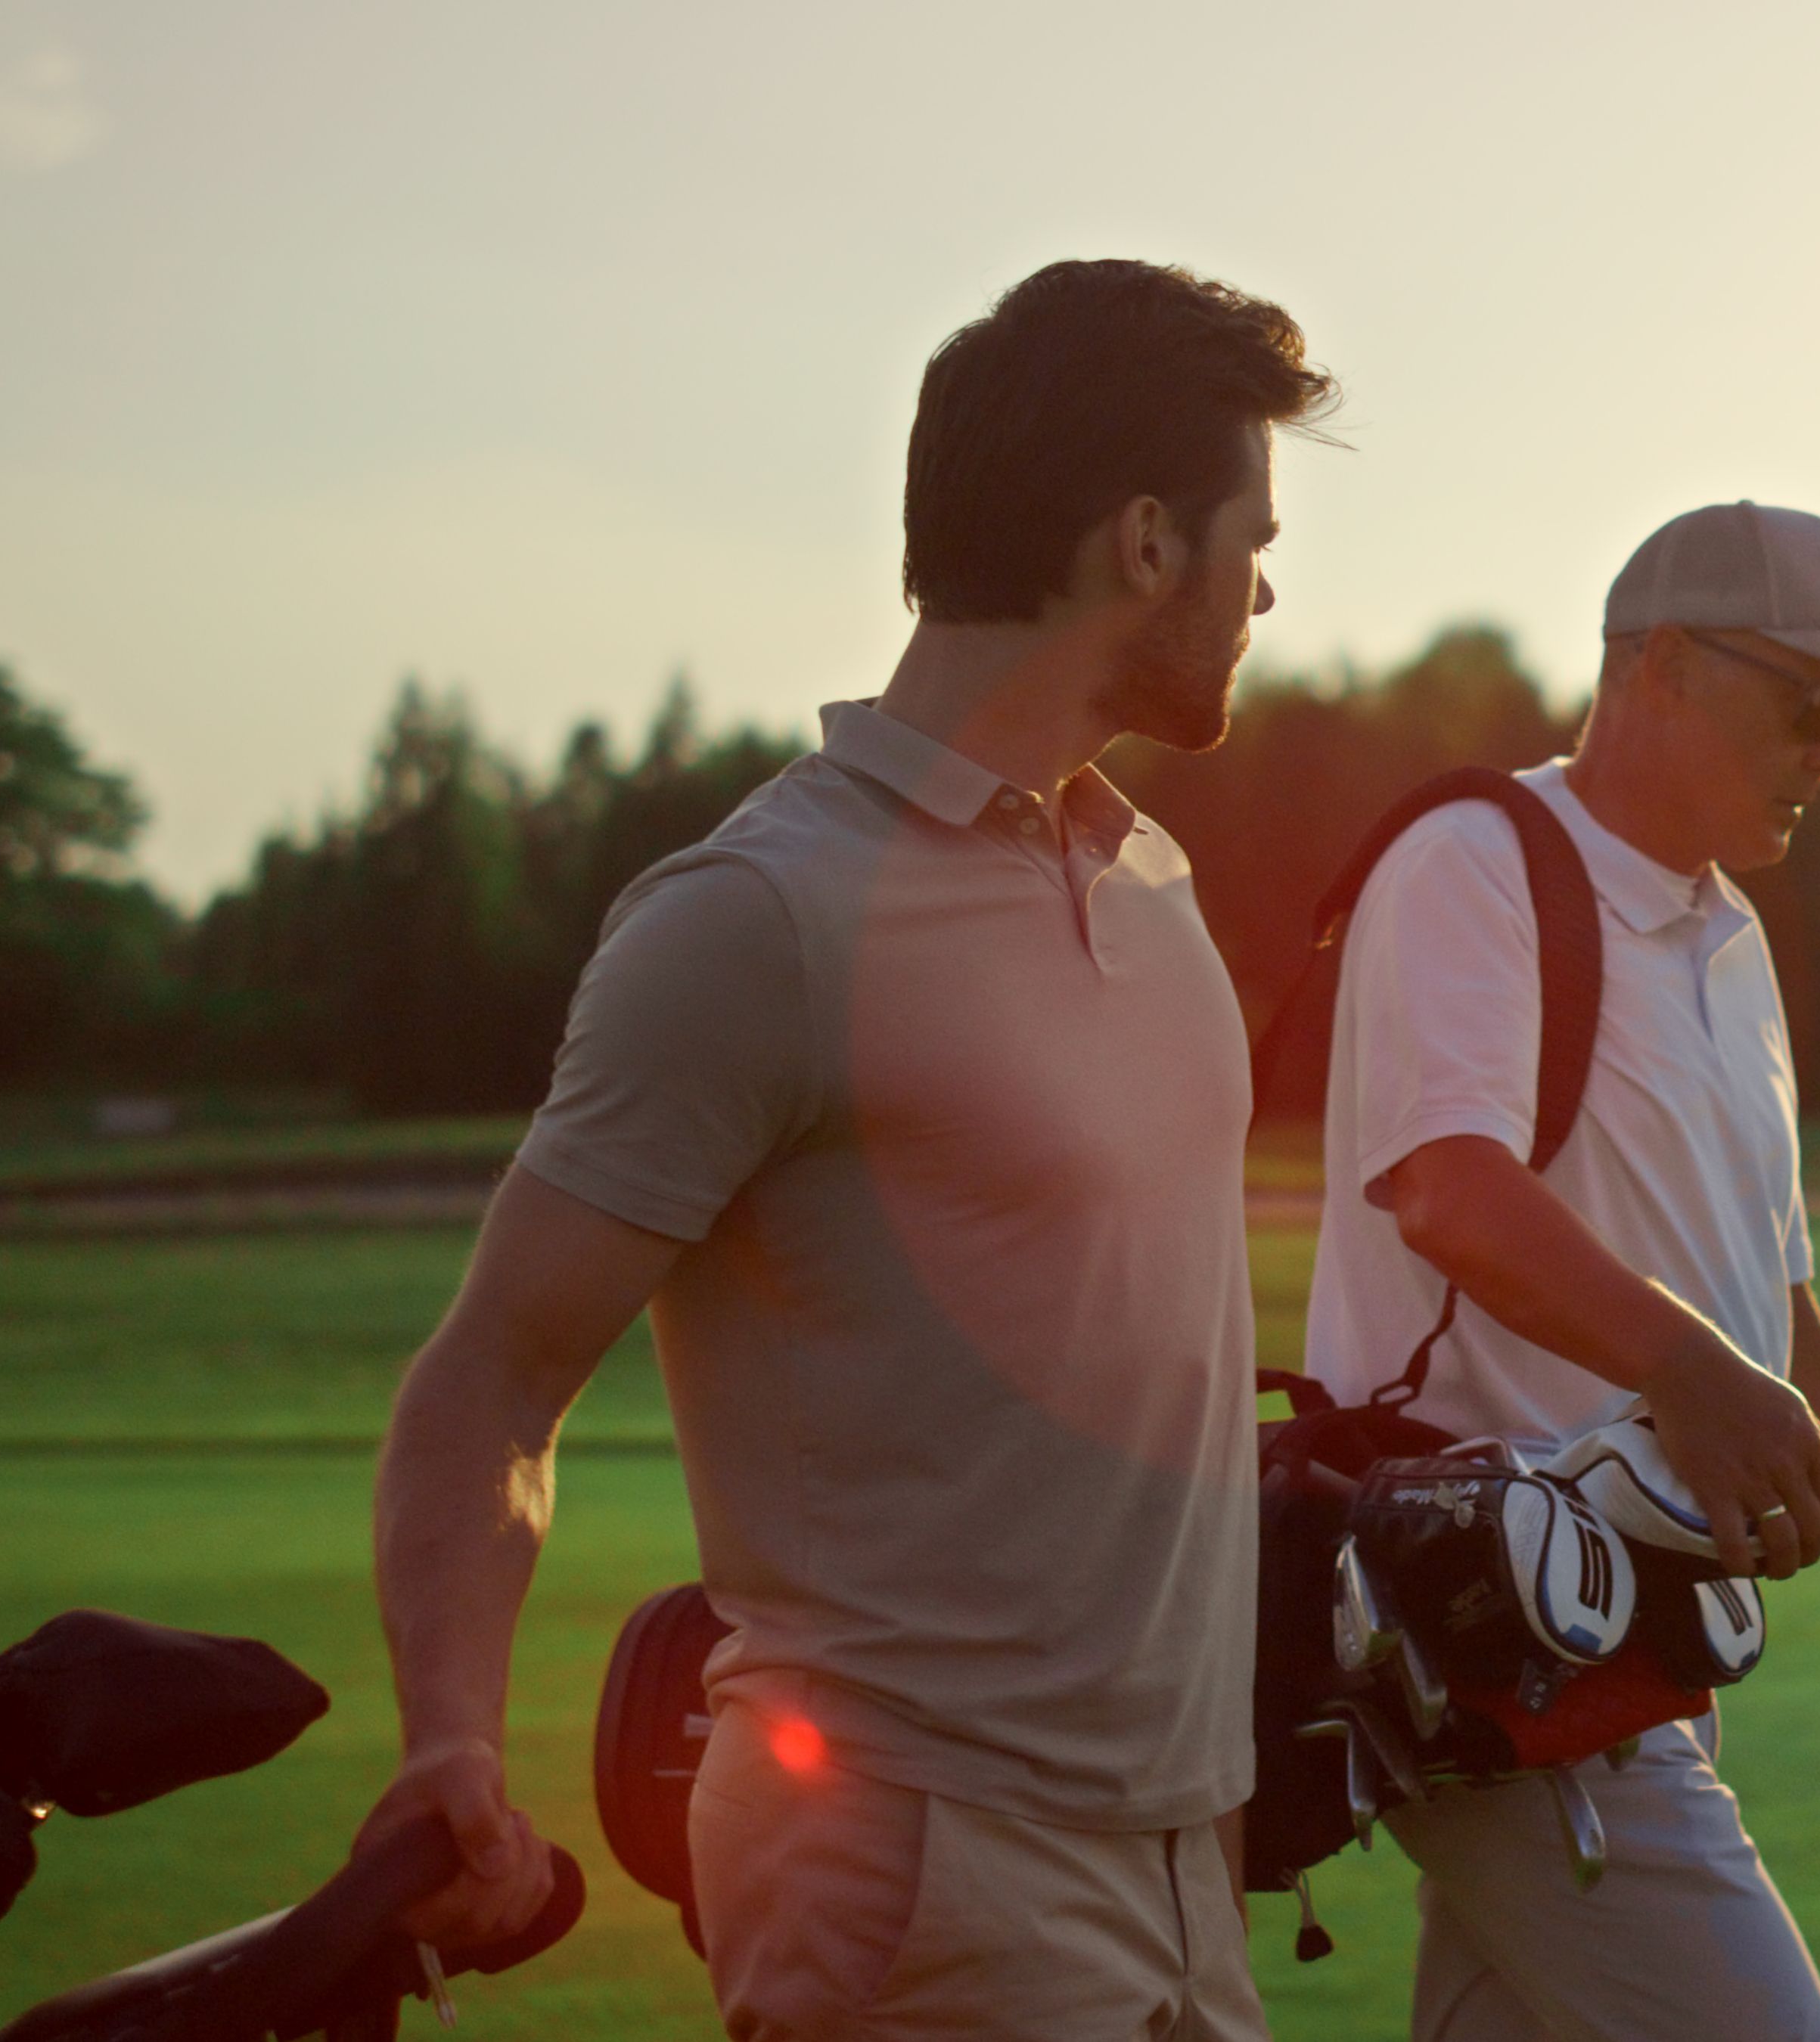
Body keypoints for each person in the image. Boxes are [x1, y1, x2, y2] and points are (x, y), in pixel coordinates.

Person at [362, 258, 1333, 2040]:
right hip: (917, 1867)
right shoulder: (758, 920)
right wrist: (451, 1744)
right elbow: (494, 1377)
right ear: (1139, 542)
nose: (1267, 584)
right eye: (1247, 534)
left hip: (1194, 1859)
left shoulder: (1154, 884)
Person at [1303, 501, 1820, 2040]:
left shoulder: (1731, 939)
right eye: (1813, 704)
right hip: (1488, 1651)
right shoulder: (1476, 864)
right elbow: (1447, 1190)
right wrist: (1688, 1372)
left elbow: (1774, 1317)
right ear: (1658, 668)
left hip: (1632, 1659)